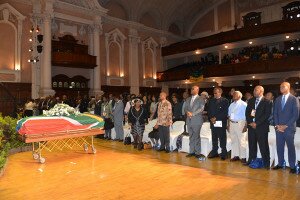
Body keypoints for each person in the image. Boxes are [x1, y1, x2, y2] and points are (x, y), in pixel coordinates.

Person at [273, 82, 300, 174]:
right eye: (280, 86)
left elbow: (295, 115)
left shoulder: (294, 99)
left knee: (290, 147)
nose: (281, 88)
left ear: (288, 87)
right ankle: (280, 163)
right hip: (278, 128)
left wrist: (285, 125)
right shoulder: (277, 99)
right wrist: (277, 125)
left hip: (289, 128)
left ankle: (292, 166)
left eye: (283, 86)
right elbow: (275, 113)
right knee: (279, 147)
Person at [245, 86, 272, 169]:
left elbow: (266, 115)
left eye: (256, 90)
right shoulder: (251, 101)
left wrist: (256, 123)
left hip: (261, 128)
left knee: (263, 146)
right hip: (251, 127)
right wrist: (250, 122)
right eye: (254, 90)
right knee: (252, 145)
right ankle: (251, 160)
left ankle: (266, 163)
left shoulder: (267, 102)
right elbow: (247, 112)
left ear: (261, 91)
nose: (254, 91)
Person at [184, 86, 206, 160]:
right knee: (191, 136)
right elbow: (185, 108)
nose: (191, 90)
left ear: (197, 90)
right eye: (191, 88)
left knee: (196, 136)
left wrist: (192, 114)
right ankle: (191, 151)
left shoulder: (201, 99)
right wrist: (187, 112)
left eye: (193, 89)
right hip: (189, 120)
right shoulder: (188, 99)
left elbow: (201, 108)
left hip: (196, 120)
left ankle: (197, 153)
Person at [207, 87, 229, 160]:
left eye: (216, 93)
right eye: (214, 93)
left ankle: (224, 153)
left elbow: (225, 112)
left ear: (220, 92)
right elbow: (209, 111)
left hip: (221, 122)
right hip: (213, 122)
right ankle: (214, 152)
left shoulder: (225, 101)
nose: (215, 94)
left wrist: (216, 118)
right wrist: (211, 118)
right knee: (214, 138)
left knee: (222, 138)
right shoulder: (211, 101)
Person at [227, 91, 247, 163]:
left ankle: (243, 157)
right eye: (233, 94)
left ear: (239, 96)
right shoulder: (231, 104)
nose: (233, 95)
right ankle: (236, 155)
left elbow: (247, 116)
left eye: (235, 94)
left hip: (240, 123)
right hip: (232, 123)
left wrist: (245, 126)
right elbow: (229, 115)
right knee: (234, 140)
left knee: (241, 140)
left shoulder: (244, 104)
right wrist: (228, 125)